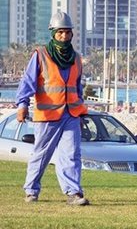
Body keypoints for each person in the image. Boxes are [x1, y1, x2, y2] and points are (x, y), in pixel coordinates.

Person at [15, 11, 90, 205]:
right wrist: (22, 105)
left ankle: (73, 192)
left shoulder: (76, 58)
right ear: (53, 34)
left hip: (71, 114)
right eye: (60, 33)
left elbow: (77, 87)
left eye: (67, 32)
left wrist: (81, 112)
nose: (64, 36)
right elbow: (28, 82)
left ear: (72, 34)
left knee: (71, 154)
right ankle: (31, 190)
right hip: (48, 115)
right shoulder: (41, 55)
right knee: (42, 154)